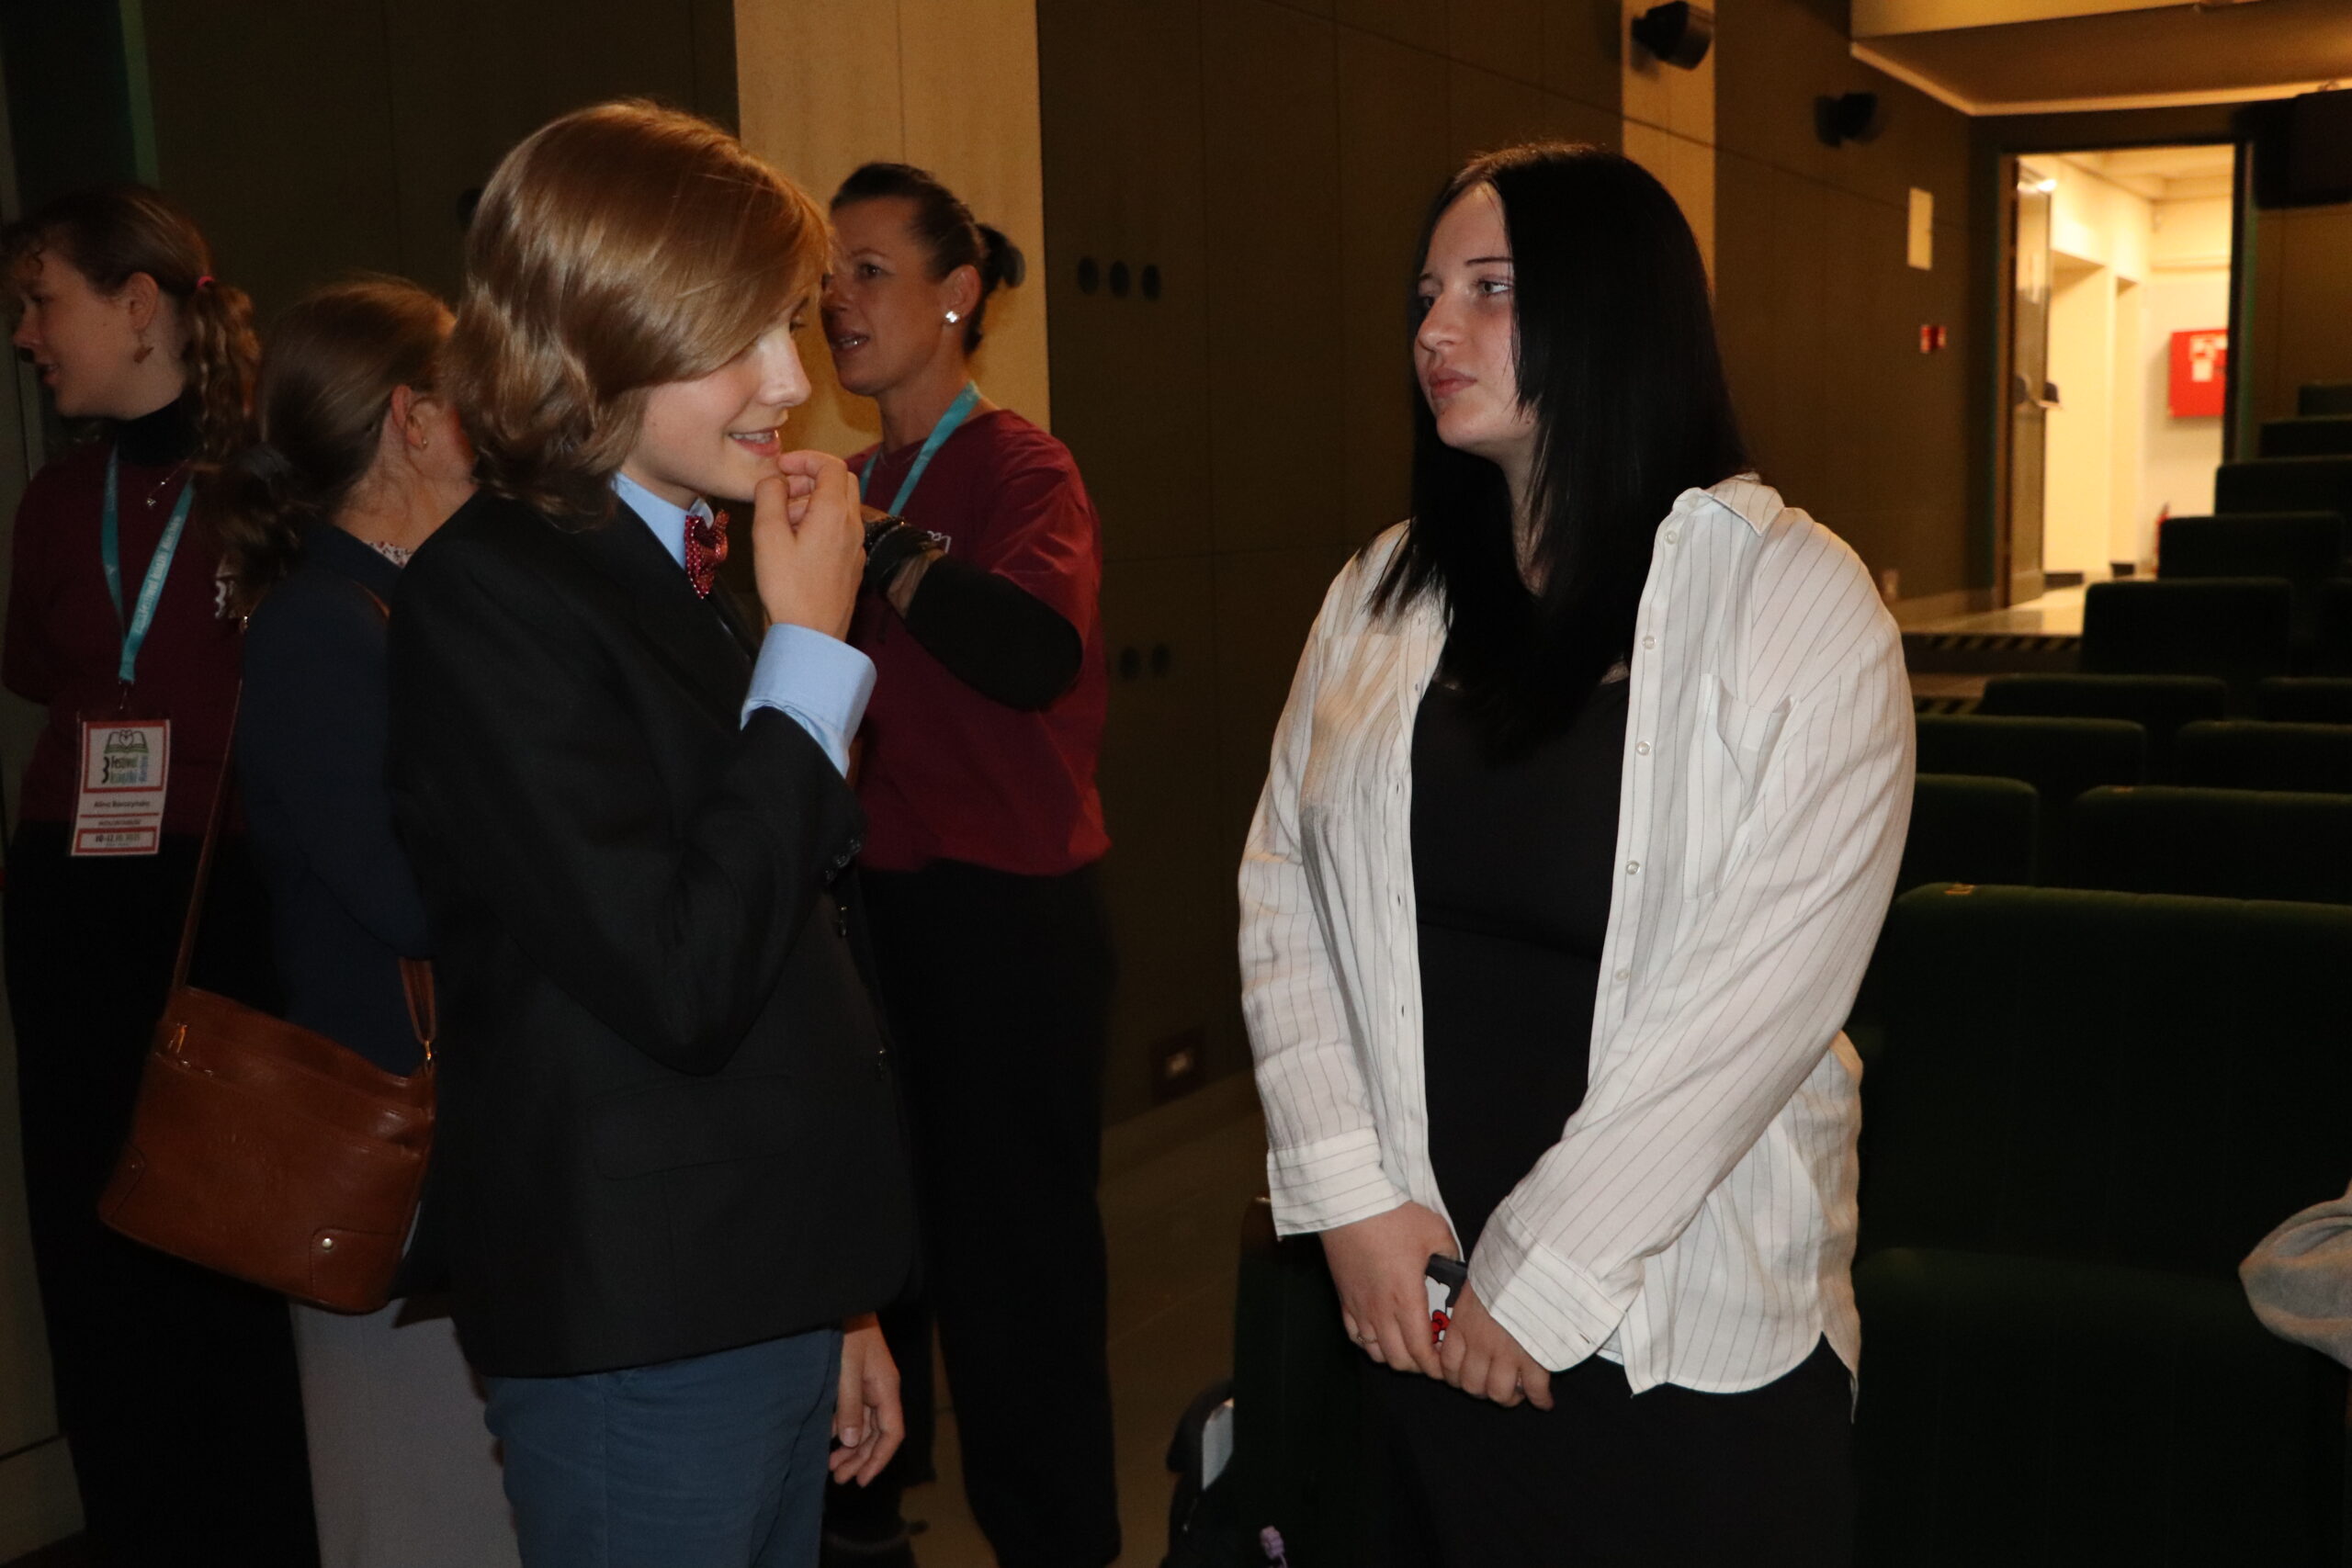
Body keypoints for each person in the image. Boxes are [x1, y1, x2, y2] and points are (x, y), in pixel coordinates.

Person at [1238, 143, 1913, 1566]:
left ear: (1615, 310)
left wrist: (1537, 1277)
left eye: (1491, 289)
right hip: (1417, 1291)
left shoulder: (1792, 596)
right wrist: (1352, 1198)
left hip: (1681, 1323)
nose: (1435, 329)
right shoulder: (1380, 591)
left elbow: (1756, 1009)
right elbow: (1284, 888)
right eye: (1427, 294)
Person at [384, 101, 916, 1568]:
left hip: (757, 1281)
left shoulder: (682, 564)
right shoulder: (491, 595)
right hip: (644, 1316)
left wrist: (839, 1298)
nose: (790, 380)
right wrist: (809, 658)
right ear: (596, 338)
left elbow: (788, 947)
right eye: (736, 339)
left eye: (786, 326)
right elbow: (679, 970)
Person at [3, 186, 318, 1566]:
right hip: (70, 900)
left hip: (222, 902)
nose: (24, 336)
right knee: (93, 1246)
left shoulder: (272, 485)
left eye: (41, 302)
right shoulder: (55, 501)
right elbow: (36, 665)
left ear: (139, 306)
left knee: (223, 1250)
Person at [820, 161, 1115, 1568]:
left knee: (1016, 1277)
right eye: (828, 277)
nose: (838, 299)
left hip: (1006, 921)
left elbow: (1031, 651)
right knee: (874, 1250)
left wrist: (880, 549)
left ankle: (1057, 1543)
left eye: (869, 270)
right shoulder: (850, 480)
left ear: (957, 295)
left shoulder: (1018, 469)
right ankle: (869, 1515)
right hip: (873, 915)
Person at [220, 276, 518, 1568]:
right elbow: (405, 894)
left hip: (456, 1138)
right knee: (424, 1524)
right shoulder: (320, 626)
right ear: (411, 418)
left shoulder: (404, 603)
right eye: (472, 396)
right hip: (389, 1155)